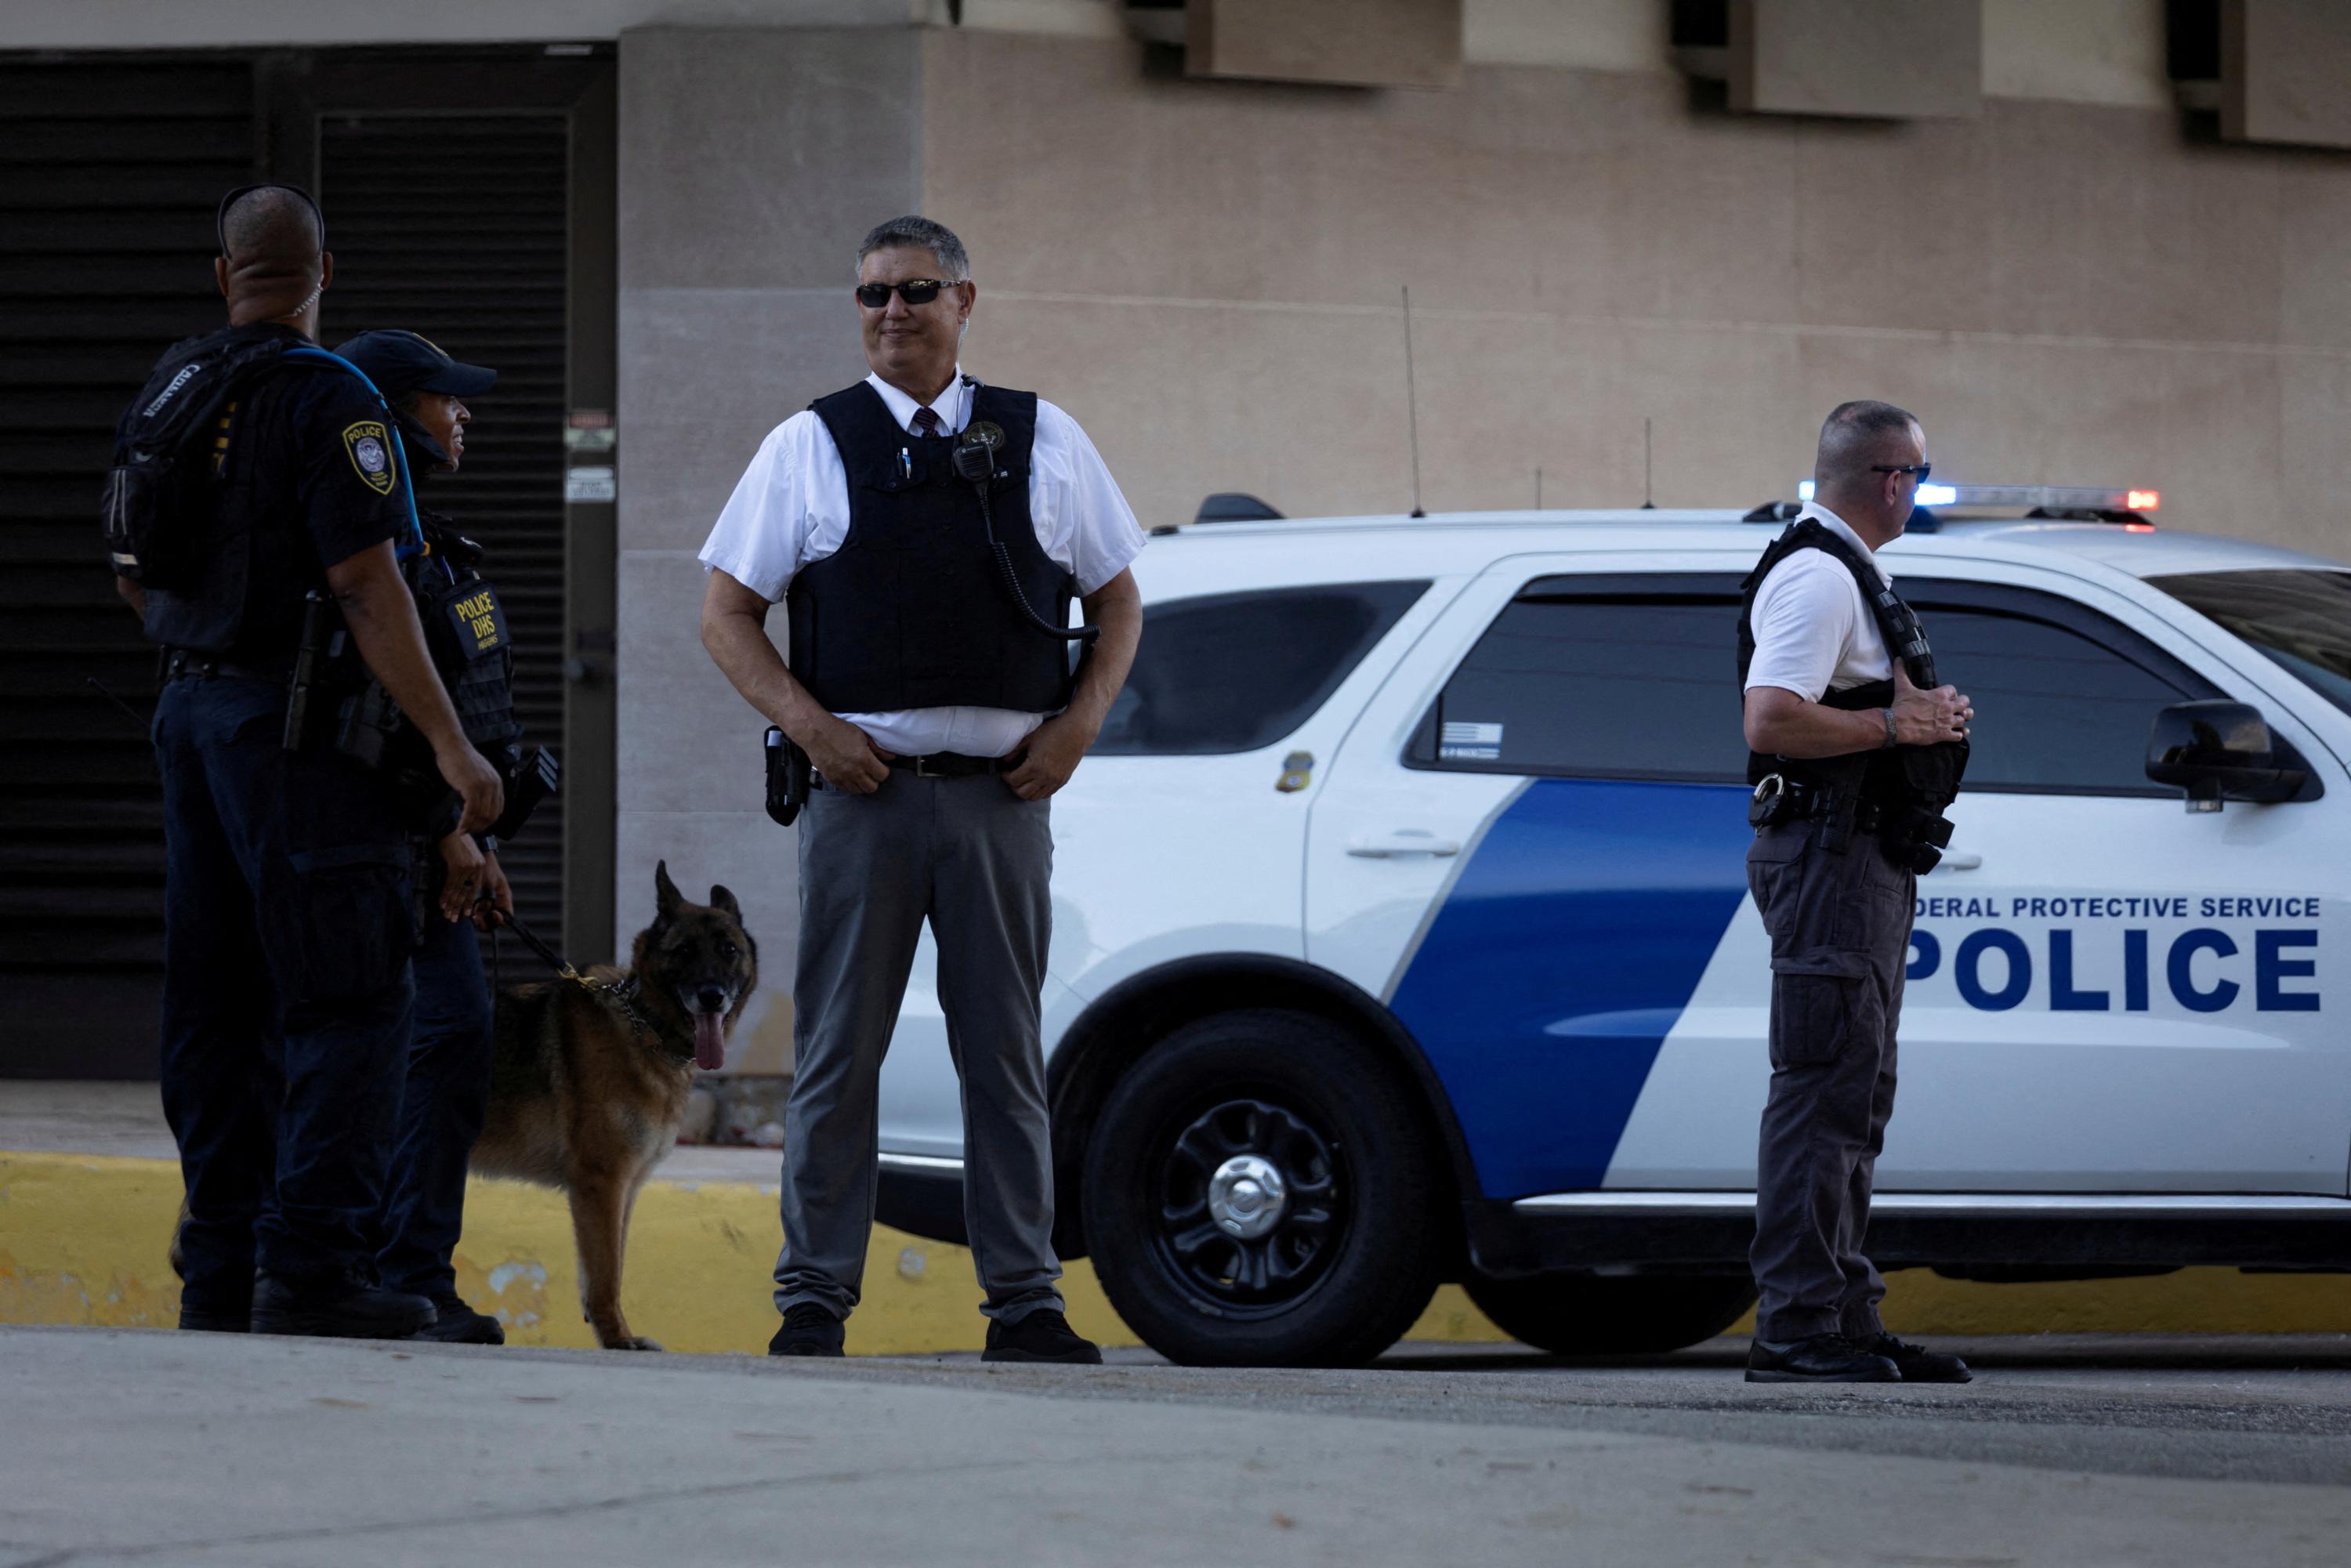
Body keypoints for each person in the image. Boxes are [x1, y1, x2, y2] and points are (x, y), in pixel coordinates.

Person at [699, 215, 1145, 1363]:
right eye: (870, 296)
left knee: (1001, 1055)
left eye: (913, 291)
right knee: (840, 1051)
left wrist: (1080, 724)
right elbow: (725, 613)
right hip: (866, 798)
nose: (890, 312)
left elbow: (1120, 600)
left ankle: (1027, 1303)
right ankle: (812, 1299)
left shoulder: (1044, 438)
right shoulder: (810, 443)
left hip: (1003, 799)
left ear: (964, 299)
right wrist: (816, 729)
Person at [118, 185, 502, 1338]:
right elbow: (366, 583)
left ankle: (220, 1272)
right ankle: (314, 1270)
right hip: (295, 745)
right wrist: (448, 743)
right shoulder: (336, 400)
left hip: (192, 724)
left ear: (219, 272)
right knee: (350, 1003)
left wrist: (213, 649)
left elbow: (135, 571)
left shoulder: (172, 387)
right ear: (323, 268)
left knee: (216, 1007)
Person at [1737, 400, 1975, 1384]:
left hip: (1862, 856)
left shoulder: (1852, 575)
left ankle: (1840, 1314)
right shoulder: (1817, 579)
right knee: (1825, 1089)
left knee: (1856, 1091)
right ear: (1891, 479)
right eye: (1917, 476)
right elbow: (1771, 720)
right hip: (1830, 855)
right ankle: (1795, 1327)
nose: (1915, 493)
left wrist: (1913, 715)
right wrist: (1898, 729)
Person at [334, 329, 523, 1346]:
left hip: (434, 837)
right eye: (446, 399)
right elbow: (374, 691)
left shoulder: (422, 535)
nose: (465, 414)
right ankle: (391, 1272)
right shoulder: (363, 530)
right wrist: (449, 831)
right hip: (385, 836)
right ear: (398, 409)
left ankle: (407, 1271)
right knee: (416, 1041)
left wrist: (474, 840)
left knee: (444, 1041)